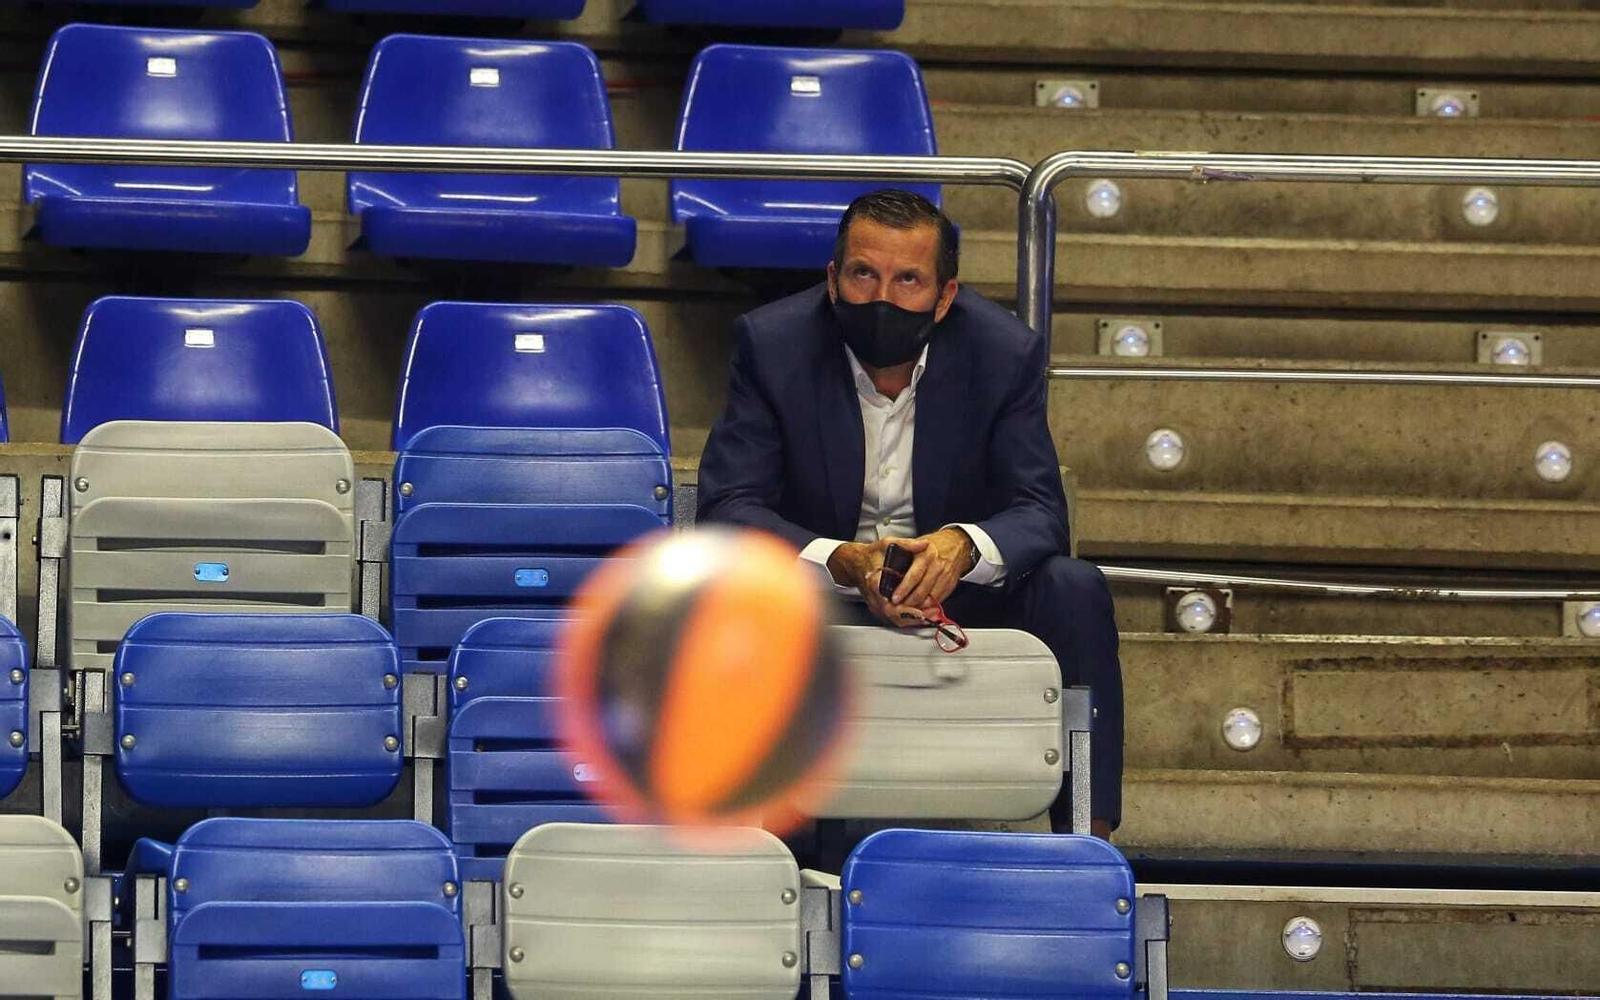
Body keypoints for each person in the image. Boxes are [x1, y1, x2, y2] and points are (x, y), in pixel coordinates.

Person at [696, 188, 1123, 836]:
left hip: (954, 591)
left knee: (1075, 588)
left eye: (908, 280)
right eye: (864, 274)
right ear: (832, 279)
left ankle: (1087, 847)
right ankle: (748, 849)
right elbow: (728, 507)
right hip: (821, 593)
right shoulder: (773, 344)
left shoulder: (1003, 354)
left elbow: (1040, 510)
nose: (883, 298)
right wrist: (840, 560)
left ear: (945, 296)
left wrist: (962, 547)